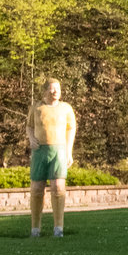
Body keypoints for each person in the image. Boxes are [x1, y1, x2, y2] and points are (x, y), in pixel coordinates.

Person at [27, 78, 77, 238]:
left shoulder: (66, 108)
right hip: (39, 151)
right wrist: (31, 139)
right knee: (36, 189)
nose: (55, 91)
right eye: (52, 88)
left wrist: (69, 151)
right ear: (45, 90)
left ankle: (58, 228)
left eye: (58, 89)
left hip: (58, 151)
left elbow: (71, 129)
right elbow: (29, 126)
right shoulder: (36, 107)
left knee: (58, 188)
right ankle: (35, 228)